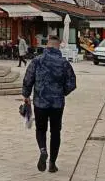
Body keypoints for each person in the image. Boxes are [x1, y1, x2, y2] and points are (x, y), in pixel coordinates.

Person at [22, 34, 77, 173]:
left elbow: (28, 79)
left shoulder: (37, 61)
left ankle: (43, 150)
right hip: (57, 103)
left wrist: (26, 95)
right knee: (55, 132)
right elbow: (72, 83)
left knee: (41, 129)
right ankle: (52, 163)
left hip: (40, 102)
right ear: (58, 46)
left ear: (47, 45)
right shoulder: (64, 63)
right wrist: (61, 92)